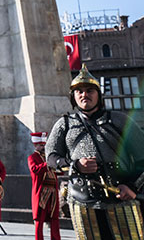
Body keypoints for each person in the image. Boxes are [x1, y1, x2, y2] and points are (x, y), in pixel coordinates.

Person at [46, 64, 144, 240]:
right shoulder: (65, 124)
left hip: (120, 196)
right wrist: (74, 165)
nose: (84, 95)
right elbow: (51, 157)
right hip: (81, 199)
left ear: (99, 94)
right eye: (79, 91)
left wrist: (132, 186)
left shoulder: (119, 120)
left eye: (90, 90)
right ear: (73, 97)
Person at [27, 132, 60, 240]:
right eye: (41, 145)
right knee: (39, 219)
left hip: (53, 191)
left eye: (44, 145)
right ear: (35, 145)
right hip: (42, 192)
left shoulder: (49, 157)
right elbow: (35, 169)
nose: (43, 147)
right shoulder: (32, 157)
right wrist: (48, 164)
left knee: (54, 218)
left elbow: (56, 171)